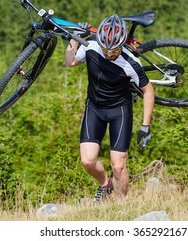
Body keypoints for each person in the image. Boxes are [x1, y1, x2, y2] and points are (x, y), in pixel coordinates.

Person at [65, 14, 154, 202]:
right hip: (95, 108)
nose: (109, 54)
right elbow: (70, 62)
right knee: (87, 161)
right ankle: (106, 184)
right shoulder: (91, 46)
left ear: (122, 44)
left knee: (118, 166)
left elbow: (148, 92)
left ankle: (120, 205)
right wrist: (73, 38)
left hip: (119, 111)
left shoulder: (131, 63)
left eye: (114, 50)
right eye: (106, 49)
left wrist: (145, 126)